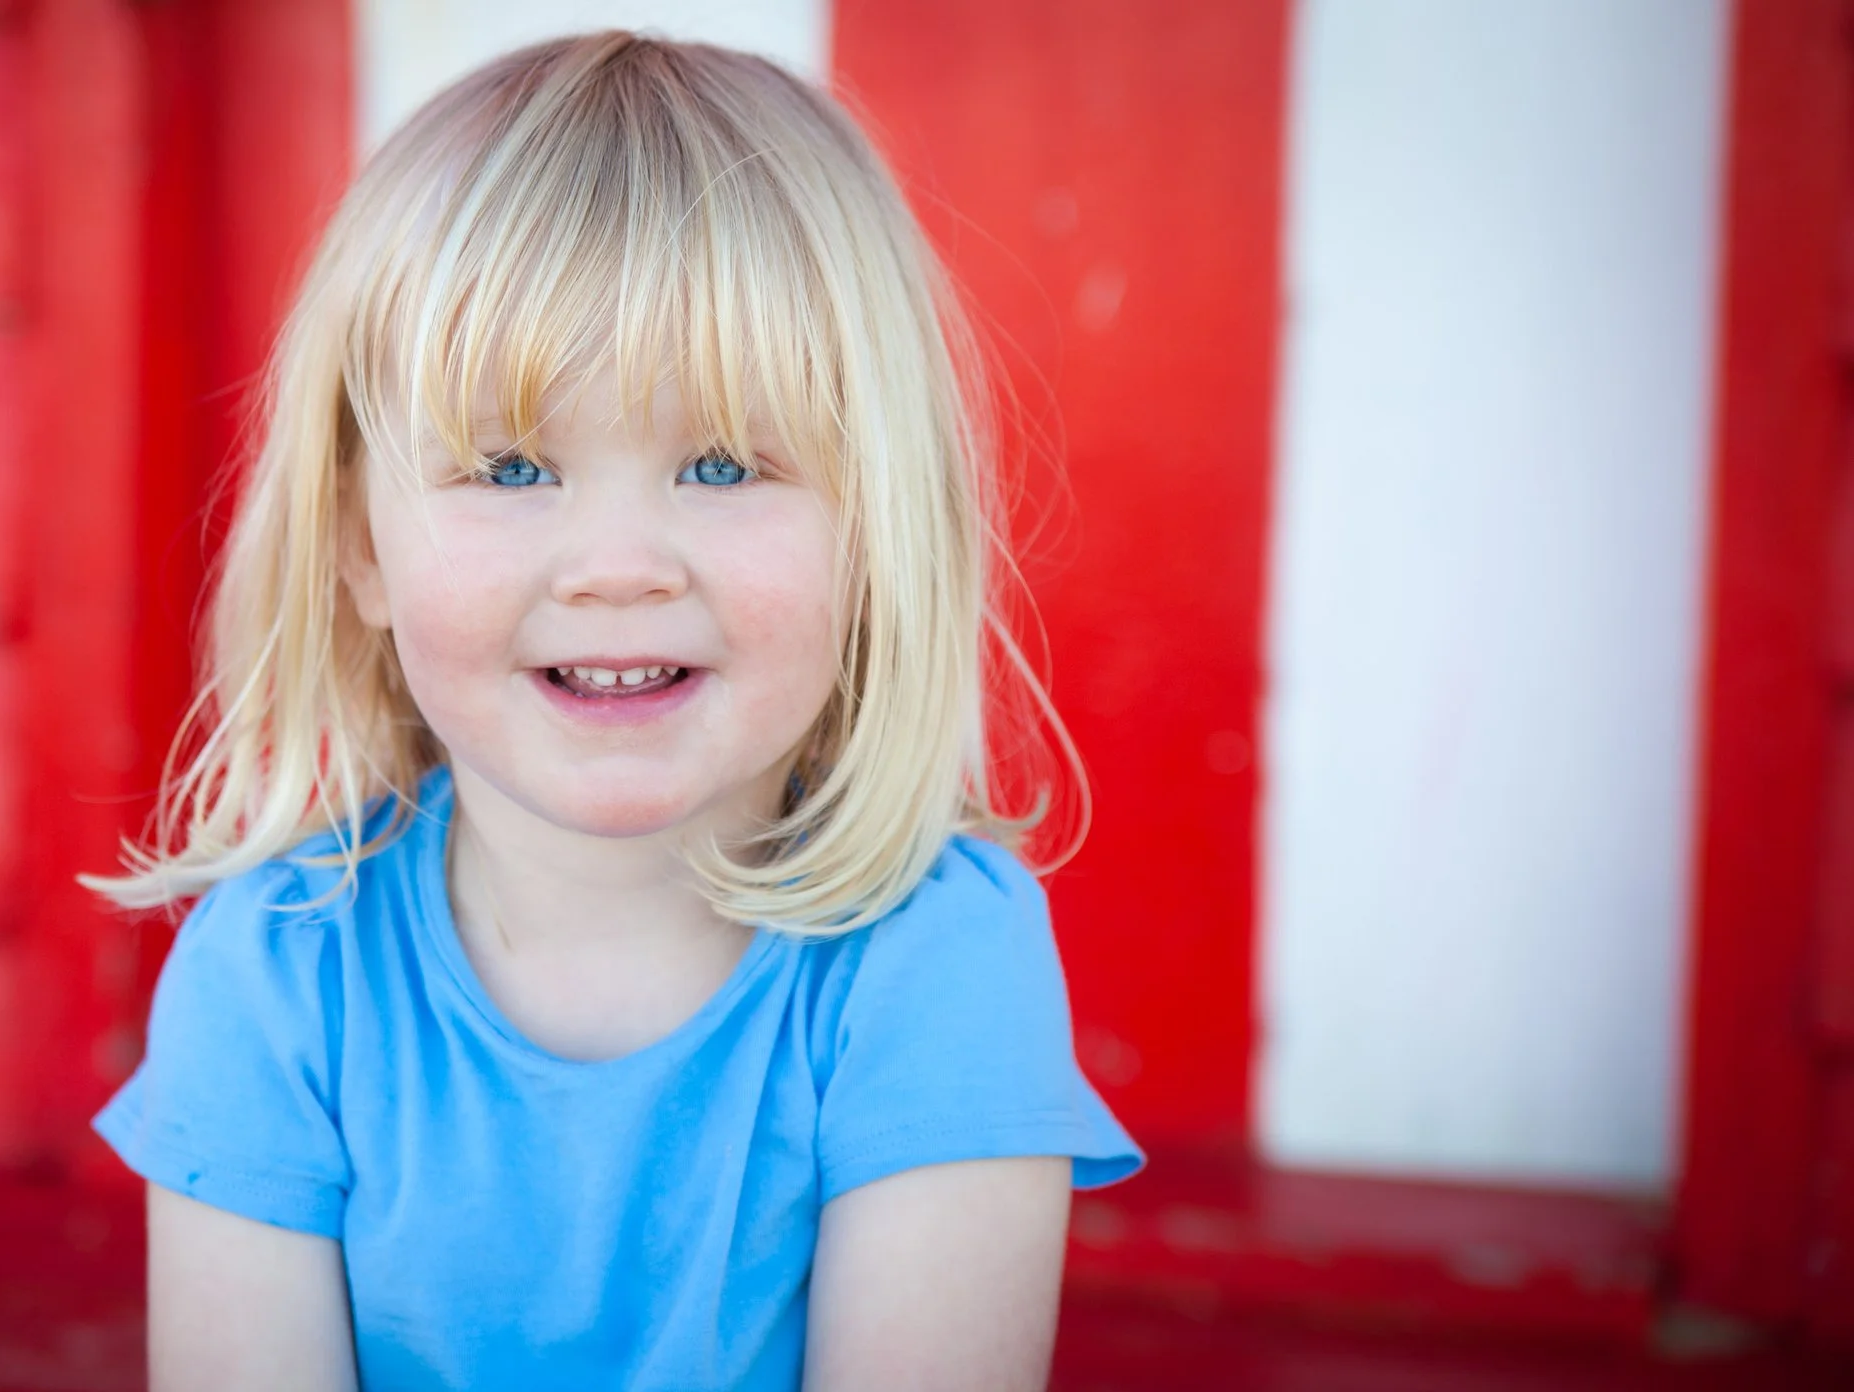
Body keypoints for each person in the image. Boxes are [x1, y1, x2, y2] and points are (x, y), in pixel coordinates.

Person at [81, 29, 1143, 1391]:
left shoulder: (929, 963)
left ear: (879, 530)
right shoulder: (279, 980)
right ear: (359, 545)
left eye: (719, 461)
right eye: (513, 466)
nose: (620, 563)